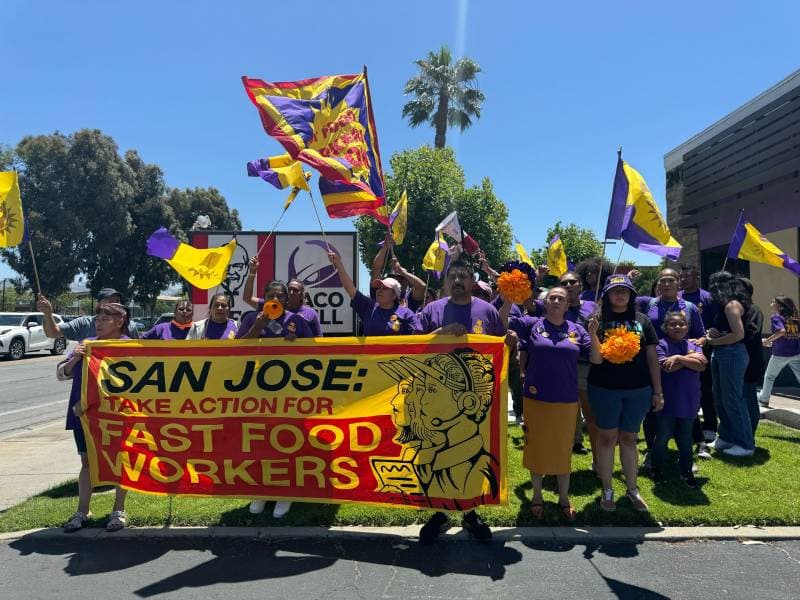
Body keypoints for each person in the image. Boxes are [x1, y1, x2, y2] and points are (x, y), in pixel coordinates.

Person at [415, 259, 510, 542]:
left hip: (477, 401)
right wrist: (441, 333)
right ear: (446, 282)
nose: (458, 280)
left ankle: (471, 512)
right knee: (437, 453)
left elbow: (501, 347)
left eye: (464, 276)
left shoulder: (488, 311)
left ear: (472, 281)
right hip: (437, 397)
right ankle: (439, 513)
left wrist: (510, 341)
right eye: (453, 276)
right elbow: (414, 346)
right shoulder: (432, 310)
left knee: (474, 453)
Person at [519, 286, 597, 521]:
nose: (555, 301)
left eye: (560, 298)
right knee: (537, 447)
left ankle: (564, 497)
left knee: (563, 449)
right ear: (545, 302)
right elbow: (503, 323)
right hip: (535, 397)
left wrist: (593, 334)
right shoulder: (532, 323)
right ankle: (537, 496)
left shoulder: (578, 330)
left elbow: (596, 358)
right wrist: (505, 300)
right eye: (552, 297)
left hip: (566, 398)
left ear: (567, 305)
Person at [586, 274, 662, 512]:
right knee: (606, 438)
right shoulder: (598, 319)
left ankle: (632, 489)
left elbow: (652, 357)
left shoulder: (642, 321)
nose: (620, 295)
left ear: (631, 295)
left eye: (624, 290)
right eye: (614, 290)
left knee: (629, 438)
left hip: (638, 389)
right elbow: (596, 360)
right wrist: (592, 334)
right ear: (607, 295)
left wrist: (657, 391)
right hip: (604, 388)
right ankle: (607, 489)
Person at [239, 281, 312, 518]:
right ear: (264, 297)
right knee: (261, 440)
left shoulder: (297, 320)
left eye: (280, 296)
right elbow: (236, 350)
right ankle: (262, 490)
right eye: (271, 295)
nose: (276, 299)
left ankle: (286, 492)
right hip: (258, 390)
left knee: (287, 440)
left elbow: (317, 351)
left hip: (290, 390)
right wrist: (257, 327)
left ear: (286, 299)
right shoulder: (252, 317)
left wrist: (297, 344)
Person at [57, 302, 130, 532]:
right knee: (87, 462)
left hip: (117, 415)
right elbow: (62, 374)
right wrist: (74, 359)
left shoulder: (132, 346)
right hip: (85, 415)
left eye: (104, 319)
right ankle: (83, 510)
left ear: (119, 322)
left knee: (121, 460)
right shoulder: (86, 345)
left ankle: (118, 509)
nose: (98, 323)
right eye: (97, 319)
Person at [636, 268, 706, 465]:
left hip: (682, 367)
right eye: (662, 280)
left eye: (670, 280)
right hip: (654, 363)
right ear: (657, 284)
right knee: (652, 408)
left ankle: (687, 451)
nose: (666, 284)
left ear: (678, 284)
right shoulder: (648, 305)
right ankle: (652, 449)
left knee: (684, 406)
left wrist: (693, 350)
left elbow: (701, 335)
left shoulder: (690, 307)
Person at [651, 312, 707, 488]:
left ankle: (686, 470)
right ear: (666, 327)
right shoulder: (660, 345)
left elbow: (702, 364)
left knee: (685, 440)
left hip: (689, 401)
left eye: (681, 324)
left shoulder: (693, 344)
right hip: (668, 401)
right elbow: (667, 368)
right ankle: (656, 467)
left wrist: (678, 358)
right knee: (662, 437)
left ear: (687, 327)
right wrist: (688, 360)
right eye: (673, 325)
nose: (677, 327)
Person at [705, 271, 754, 457]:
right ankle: (726, 436)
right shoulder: (723, 306)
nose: (714, 290)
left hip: (732, 354)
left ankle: (745, 444)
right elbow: (727, 331)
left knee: (733, 398)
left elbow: (738, 334)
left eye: (717, 286)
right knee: (719, 397)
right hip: (722, 353)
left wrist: (714, 341)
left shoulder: (731, 305)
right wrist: (715, 335)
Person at [328, 251, 420, 336]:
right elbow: (350, 288)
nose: (379, 290)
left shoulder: (406, 314)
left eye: (385, 288)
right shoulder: (369, 307)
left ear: (394, 295)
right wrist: (338, 264)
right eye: (378, 287)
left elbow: (417, 340)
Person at [679, 264, 719, 447]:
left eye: (688, 276)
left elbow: (717, 322)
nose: (684, 279)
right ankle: (682, 426)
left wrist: (708, 337)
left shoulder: (707, 297)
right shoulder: (677, 297)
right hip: (678, 349)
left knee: (705, 389)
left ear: (697, 278)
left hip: (702, 349)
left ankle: (710, 426)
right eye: (682, 276)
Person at [242, 256, 324, 336]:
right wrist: (252, 272)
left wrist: (292, 340)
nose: (275, 300)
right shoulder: (254, 316)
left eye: (295, 290)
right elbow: (247, 298)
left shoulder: (302, 318)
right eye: (289, 289)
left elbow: (315, 344)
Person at [37, 287, 139, 340]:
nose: (115, 304)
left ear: (120, 323)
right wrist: (47, 314)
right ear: (99, 304)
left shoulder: (131, 326)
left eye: (117, 301)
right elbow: (52, 333)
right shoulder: (83, 324)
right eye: (110, 300)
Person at [759, 296, 800, 408]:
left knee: (769, 376)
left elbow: (781, 331)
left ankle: (764, 399)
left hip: (781, 354)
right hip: (796, 352)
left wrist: (767, 340)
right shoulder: (794, 318)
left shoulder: (776, 317)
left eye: (773, 302)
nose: (771, 303)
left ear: (780, 306)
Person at [739, 278, 764, 434]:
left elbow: (750, 333)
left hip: (750, 361)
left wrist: (731, 335)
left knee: (749, 397)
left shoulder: (753, 310)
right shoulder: (739, 309)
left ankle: (750, 433)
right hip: (741, 360)